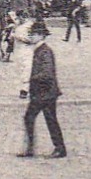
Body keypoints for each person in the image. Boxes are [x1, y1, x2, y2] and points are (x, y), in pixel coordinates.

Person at [17, 24, 65, 158]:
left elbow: (47, 73)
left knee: (33, 118)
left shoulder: (45, 51)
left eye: (33, 34)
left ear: (41, 36)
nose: (31, 36)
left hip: (45, 92)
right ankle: (57, 148)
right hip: (44, 92)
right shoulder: (40, 49)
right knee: (46, 119)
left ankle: (35, 148)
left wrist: (32, 79)